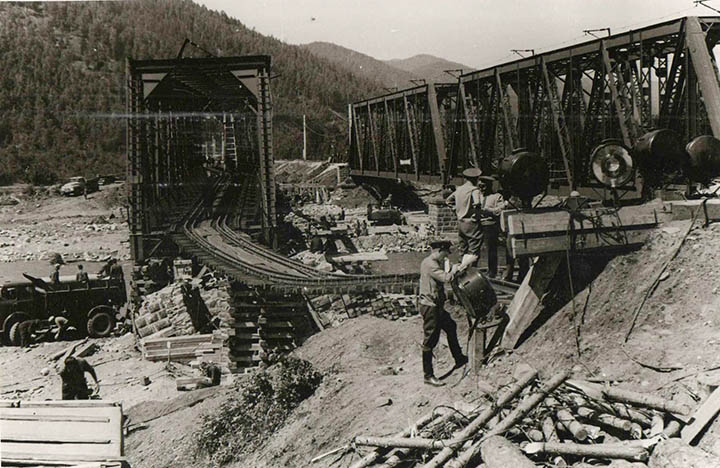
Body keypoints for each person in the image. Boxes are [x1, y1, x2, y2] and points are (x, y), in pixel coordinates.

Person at [418, 239, 468, 387]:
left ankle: (458, 358)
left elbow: (445, 271)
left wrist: (453, 267)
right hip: (430, 306)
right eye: (445, 253)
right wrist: (456, 269)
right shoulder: (430, 264)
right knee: (430, 341)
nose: (446, 257)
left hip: (437, 305)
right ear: (439, 250)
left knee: (451, 326)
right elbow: (446, 278)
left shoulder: (435, 262)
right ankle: (428, 375)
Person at [446, 168, 484, 271]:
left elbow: (448, 201)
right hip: (471, 223)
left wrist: (456, 210)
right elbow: (477, 204)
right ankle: (470, 275)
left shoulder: (459, 189)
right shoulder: (474, 190)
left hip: (461, 223)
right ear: (476, 178)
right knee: (473, 252)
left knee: (462, 250)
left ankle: (459, 273)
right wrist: (477, 216)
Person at [479, 177, 505, 279]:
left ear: (489, 186)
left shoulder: (496, 196)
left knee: (491, 249)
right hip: (478, 224)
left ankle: (492, 271)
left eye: (484, 186)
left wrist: (488, 210)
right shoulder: (478, 196)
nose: (482, 189)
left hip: (490, 225)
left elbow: (500, 209)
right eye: (480, 186)